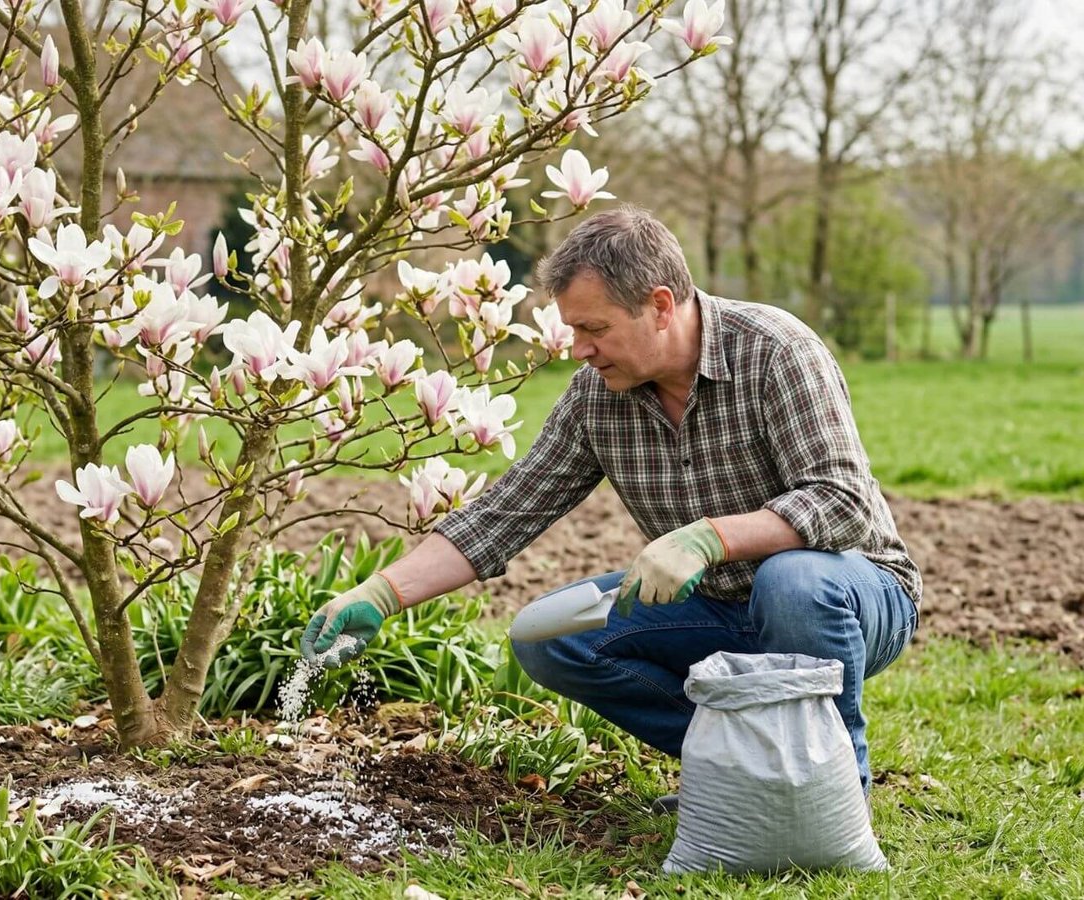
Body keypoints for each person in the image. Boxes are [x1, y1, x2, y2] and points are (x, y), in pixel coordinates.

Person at [300, 205, 920, 802]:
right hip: (719, 608)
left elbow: (843, 503)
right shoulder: (598, 397)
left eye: (595, 329)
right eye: (573, 329)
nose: (580, 349)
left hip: (850, 594)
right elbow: (503, 514)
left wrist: (710, 537)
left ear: (659, 306)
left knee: (792, 580)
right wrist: (380, 594)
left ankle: (830, 794)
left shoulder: (776, 351)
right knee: (550, 638)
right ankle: (744, 769)